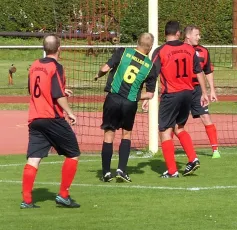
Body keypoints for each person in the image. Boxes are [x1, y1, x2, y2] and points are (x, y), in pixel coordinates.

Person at [21, 34, 81, 208]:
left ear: (44, 49)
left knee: (33, 159)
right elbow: (56, 95)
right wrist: (69, 112)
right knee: (73, 154)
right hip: (52, 118)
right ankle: (63, 195)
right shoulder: (57, 67)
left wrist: (62, 90)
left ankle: (27, 200)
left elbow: (33, 89)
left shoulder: (34, 65)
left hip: (35, 118)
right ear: (59, 49)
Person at [94, 33, 157, 183]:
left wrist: (98, 75)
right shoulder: (151, 67)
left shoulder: (123, 52)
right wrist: (136, 97)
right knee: (126, 134)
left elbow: (105, 67)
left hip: (113, 99)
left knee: (109, 134)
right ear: (150, 48)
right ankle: (121, 169)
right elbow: (149, 94)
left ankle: (106, 173)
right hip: (130, 103)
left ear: (137, 42)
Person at [152, 21, 210, 178]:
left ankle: (172, 171)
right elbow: (199, 71)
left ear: (166, 34)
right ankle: (193, 158)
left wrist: (148, 93)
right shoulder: (189, 49)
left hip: (171, 95)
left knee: (164, 131)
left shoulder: (161, 51)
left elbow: (152, 74)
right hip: (188, 94)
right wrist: (204, 92)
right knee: (179, 128)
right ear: (178, 33)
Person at [183, 25, 221, 158]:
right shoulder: (179, 50)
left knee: (206, 117)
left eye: (199, 35)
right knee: (176, 121)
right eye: (196, 35)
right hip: (181, 89)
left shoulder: (203, 51)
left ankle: (215, 150)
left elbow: (208, 71)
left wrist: (212, 91)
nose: (199, 37)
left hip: (198, 90)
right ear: (188, 36)